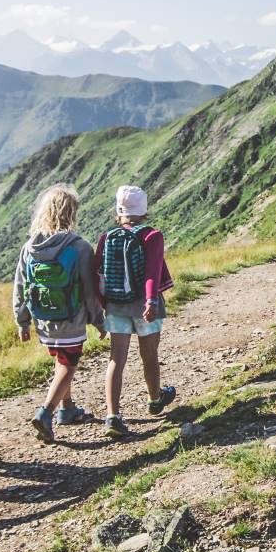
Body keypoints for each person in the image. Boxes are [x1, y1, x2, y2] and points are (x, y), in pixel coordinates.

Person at [13, 185, 104, 442]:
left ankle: (67, 408)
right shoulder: (80, 247)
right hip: (71, 320)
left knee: (61, 360)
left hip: (44, 320)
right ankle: (46, 412)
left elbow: (20, 287)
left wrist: (22, 322)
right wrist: (98, 320)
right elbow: (89, 289)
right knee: (68, 365)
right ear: (71, 212)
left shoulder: (29, 248)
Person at [92, 184, 175, 440]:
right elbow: (152, 271)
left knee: (116, 359)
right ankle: (154, 399)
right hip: (143, 306)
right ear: (143, 209)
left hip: (115, 305)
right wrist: (150, 301)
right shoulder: (152, 236)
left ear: (119, 211)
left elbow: (98, 274)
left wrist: (100, 308)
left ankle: (113, 416)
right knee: (149, 354)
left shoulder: (108, 236)